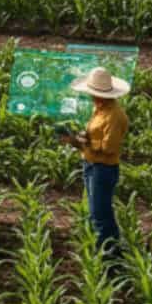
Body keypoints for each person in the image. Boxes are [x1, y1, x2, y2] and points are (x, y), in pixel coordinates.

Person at [60, 67, 130, 263]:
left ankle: (109, 255)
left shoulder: (115, 116)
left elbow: (109, 147)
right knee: (95, 211)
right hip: (91, 164)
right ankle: (107, 250)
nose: (91, 96)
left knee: (100, 213)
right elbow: (94, 134)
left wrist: (81, 142)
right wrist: (82, 137)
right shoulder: (99, 108)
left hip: (103, 169)